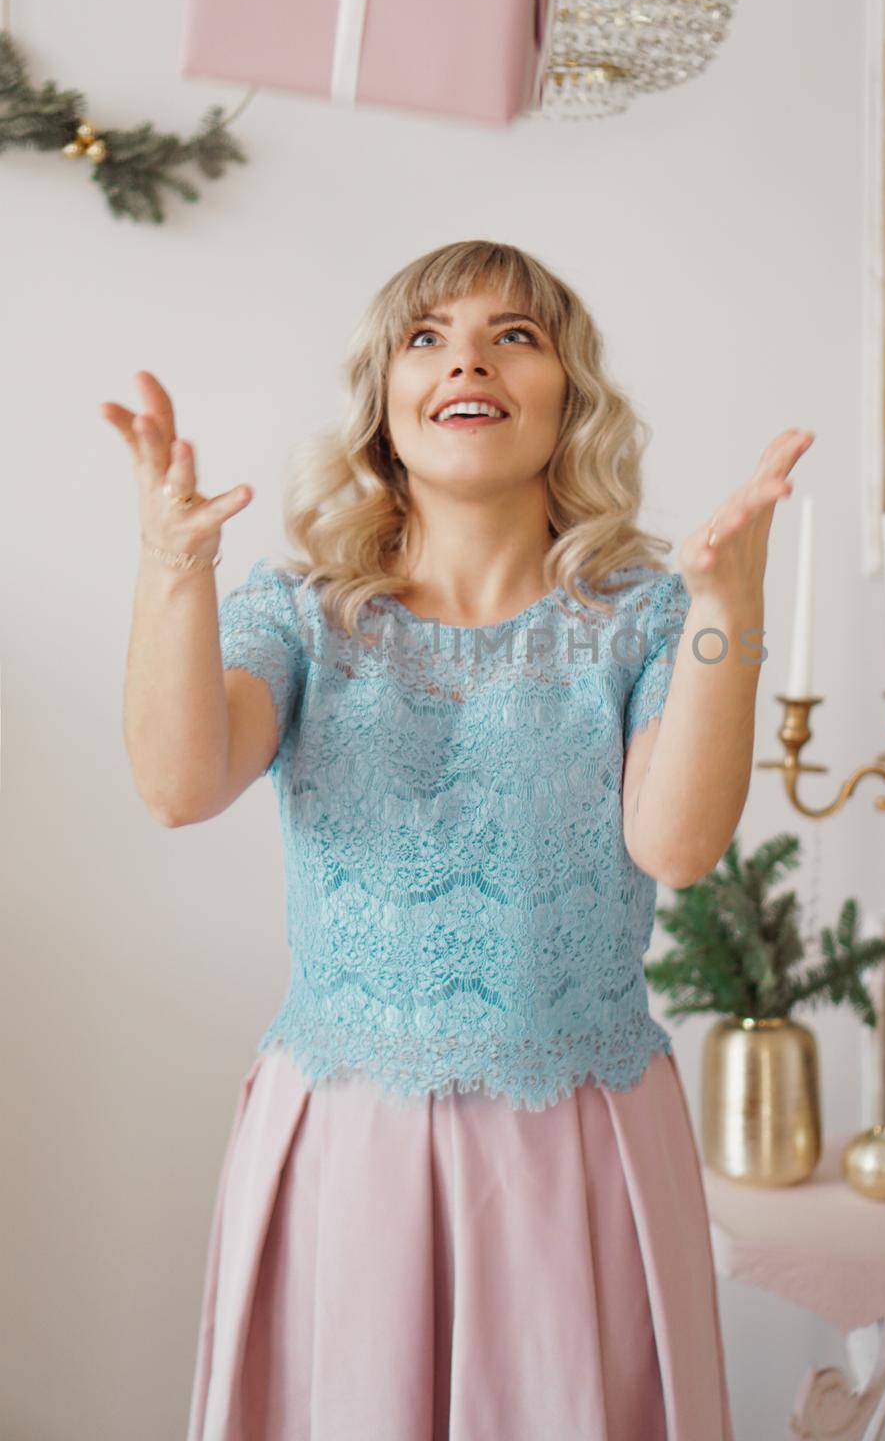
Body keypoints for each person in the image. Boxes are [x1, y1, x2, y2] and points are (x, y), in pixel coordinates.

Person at [104, 239, 813, 1441]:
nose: (465, 357)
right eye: (425, 337)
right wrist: (174, 571)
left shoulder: (643, 618)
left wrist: (725, 610)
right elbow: (180, 785)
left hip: (577, 1145)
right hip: (346, 1138)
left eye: (513, 334)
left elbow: (677, 845)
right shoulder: (298, 615)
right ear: (384, 404)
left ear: (566, 400)